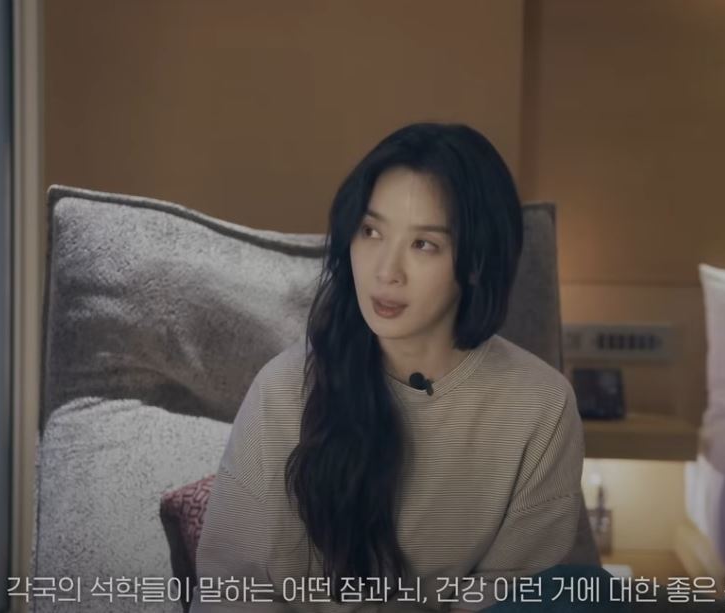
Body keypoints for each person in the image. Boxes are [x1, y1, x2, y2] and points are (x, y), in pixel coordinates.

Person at [191, 122, 597, 613]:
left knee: (586, 594)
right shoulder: (284, 390)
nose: (386, 271)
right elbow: (230, 592)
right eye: (371, 231)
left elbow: (513, 598)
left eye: (423, 244)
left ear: (475, 263)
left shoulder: (540, 406)